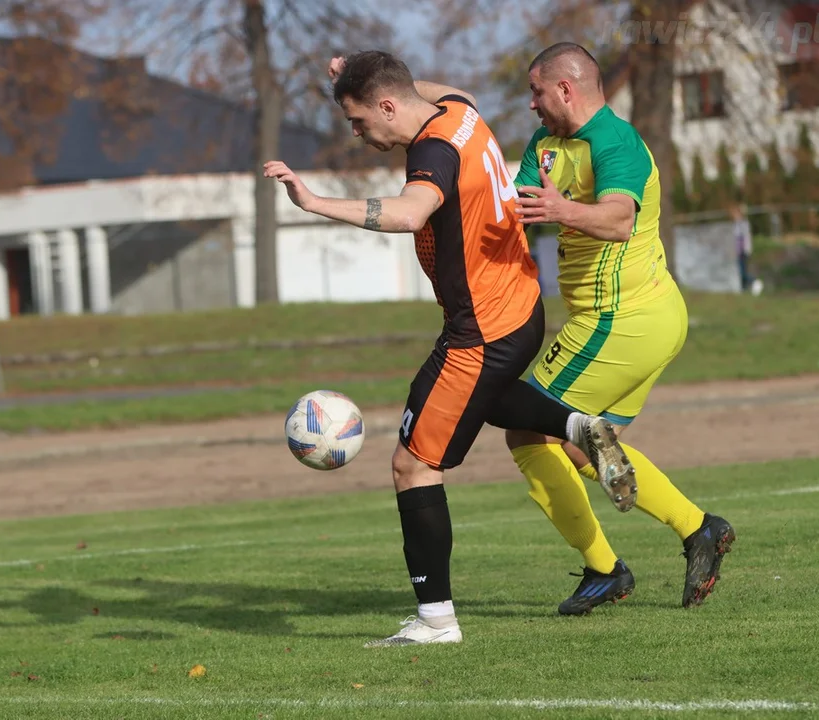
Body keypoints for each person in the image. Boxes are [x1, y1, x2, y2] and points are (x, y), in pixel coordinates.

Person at [264, 50, 636, 647]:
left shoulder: (433, 152)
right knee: (481, 402)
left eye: (359, 121)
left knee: (413, 465)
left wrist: (314, 203)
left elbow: (413, 214)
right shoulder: (458, 109)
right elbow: (418, 88)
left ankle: (435, 621)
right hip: (521, 307)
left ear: (389, 105)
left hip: (479, 333)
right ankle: (575, 425)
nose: (357, 134)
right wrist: (356, 76)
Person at [504, 42, 735, 614]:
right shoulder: (546, 145)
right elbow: (515, 208)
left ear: (565, 89)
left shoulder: (616, 141)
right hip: (637, 320)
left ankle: (605, 570)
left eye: (536, 91)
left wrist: (563, 212)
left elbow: (618, 219)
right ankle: (699, 528)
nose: (530, 103)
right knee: (582, 449)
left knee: (527, 430)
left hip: (623, 319)